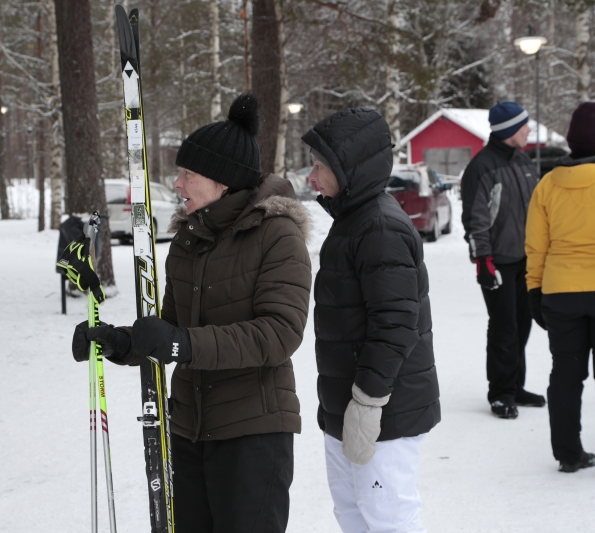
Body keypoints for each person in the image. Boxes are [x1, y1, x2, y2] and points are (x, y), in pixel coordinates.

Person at [70, 93, 312, 532]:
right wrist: (121, 342)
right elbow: (170, 330)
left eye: (188, 174)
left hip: (252, 433)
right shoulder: (189, 241)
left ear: (222, 180)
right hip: (188, 429)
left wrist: (181, 343)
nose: (177, 185)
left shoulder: (277, 236)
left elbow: (280, 333)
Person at [302, 108, 440, 533]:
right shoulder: (353, 222)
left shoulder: (379, 227)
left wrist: (367, 402)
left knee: (388, 518)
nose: (311, 176)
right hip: (348, 404)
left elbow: (397, 322)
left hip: (383, 411)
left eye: (321, 165)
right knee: (354, 513)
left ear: (351, 169)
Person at [461, 101, 544, 419]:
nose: (528, 130)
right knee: (504, 327)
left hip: (526, 260)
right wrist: (483, 260)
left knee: (522, 324)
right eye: (524, 125)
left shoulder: (523, 162)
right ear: (510, 129)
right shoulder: (482, 167)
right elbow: (476, 220)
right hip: (497, 262)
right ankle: (500, 393)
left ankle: (515, 386)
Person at [525, 101, 595, 473]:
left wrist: (535, 291)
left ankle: (568, 453)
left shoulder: (548, 183)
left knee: (566, 374)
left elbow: (536, 245)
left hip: (560, 291)